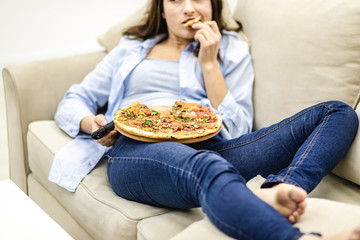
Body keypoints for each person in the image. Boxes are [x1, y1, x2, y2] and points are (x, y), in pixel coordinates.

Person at [49, 0, 360, 239]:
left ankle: (280, 189)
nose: (188, 9)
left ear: (213, 4)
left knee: (338, 112)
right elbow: (74, 99)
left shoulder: (233, 49)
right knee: (208, 167)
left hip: (212, 145)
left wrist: (209, 63)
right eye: (174, 0)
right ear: (162, 9)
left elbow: (238, 129)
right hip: (136, 149)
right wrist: (93, 126)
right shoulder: (131, 49)